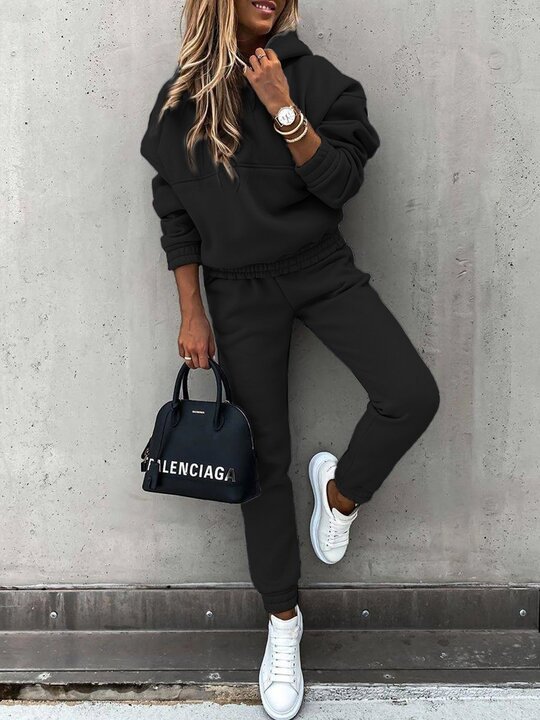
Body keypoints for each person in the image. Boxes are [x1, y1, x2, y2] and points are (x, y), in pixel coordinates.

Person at [140, 1, 440, 718]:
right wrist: (191, 311)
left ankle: (338, 495)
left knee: (410, 395)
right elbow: (175, 214)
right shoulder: (181, 101)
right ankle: (283, 621)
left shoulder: (316, 80)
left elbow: (341, 183)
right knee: (262, 460)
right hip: (237, 291)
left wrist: (282, 108)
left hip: (320, 269)